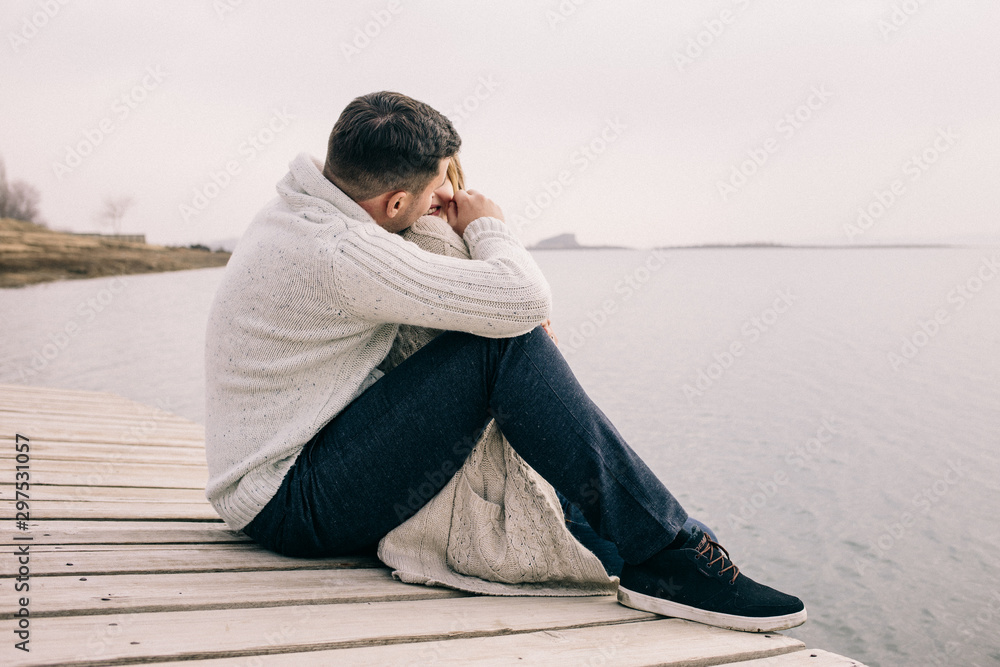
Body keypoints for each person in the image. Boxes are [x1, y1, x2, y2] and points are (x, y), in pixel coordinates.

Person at [204, 91, 806, 633]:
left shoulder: (302, 209)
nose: (447, 196)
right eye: (438, 187)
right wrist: (490, 226)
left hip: (286, 468)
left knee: (506, 358)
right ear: (391, 204)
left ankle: (660, 549)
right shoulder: (340, 250)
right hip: (288, 502)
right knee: (502, 346)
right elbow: (523, 302)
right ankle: (669, 555)